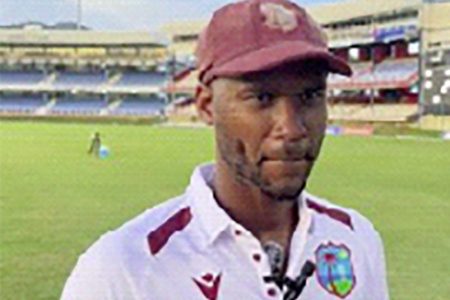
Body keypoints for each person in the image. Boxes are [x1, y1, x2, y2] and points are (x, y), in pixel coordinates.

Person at [62, 0, 388, 299]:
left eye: (310, 97)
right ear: (206, 106)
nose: (291, 128)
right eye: (262, 98)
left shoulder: (356, 239)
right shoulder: (121, 269)